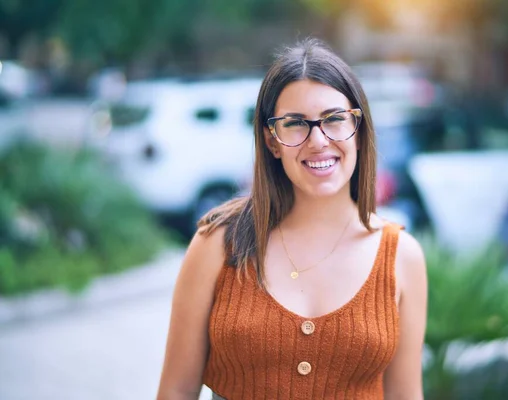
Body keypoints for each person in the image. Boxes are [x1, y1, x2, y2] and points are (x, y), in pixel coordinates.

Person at [157, 38, 428, 400]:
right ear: (272, 141)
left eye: (334, 119)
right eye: (296, 124)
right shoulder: (218, 244)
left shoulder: (401, 256)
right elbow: (175, 391)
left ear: (359, 132)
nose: (318, 140)